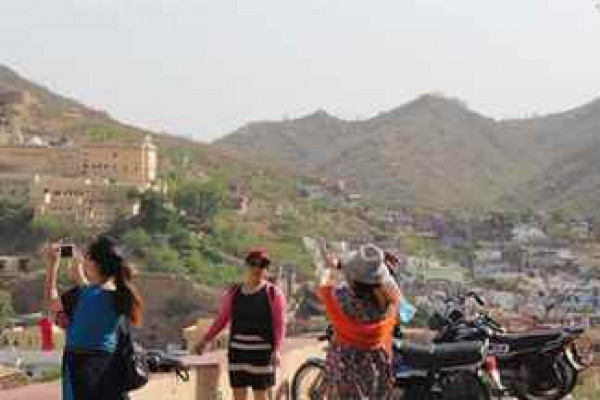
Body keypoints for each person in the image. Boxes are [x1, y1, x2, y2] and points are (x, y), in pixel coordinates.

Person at [43, 236, 144, 400]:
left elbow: (51, 305)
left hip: (80, 372)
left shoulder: (80, 296)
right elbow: (93, 296)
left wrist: (52, 267)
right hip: (110, 372)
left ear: (93, 263)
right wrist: (80, 275)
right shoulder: (119, 296)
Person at [194, 248, 287, 400]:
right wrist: (205, 340)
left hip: (262, 354)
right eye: (253, 264)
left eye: (262, 265)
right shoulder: (234, 292)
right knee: (238, 395)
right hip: (238, 353)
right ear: (247, 266)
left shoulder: (273, 293)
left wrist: (276, 350)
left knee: (260, 395)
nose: (257, 268)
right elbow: (222, 320)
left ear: (266, 269)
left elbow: (280, 324)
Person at [318, 244, 398, 399]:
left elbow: (324, 284)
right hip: (376, 367)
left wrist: (332, 266)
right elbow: (389, 286)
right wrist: (377, 263)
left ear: (352, 280)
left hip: (346, 369)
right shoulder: (388, 304)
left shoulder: (341, 301)